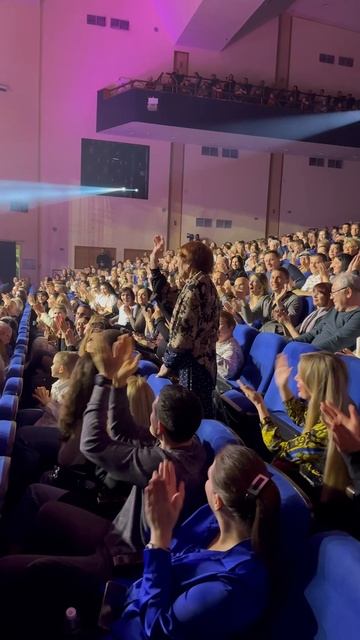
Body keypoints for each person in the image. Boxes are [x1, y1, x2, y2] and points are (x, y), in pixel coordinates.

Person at [110, 448, 280, 640]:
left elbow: (156, 630)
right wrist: (165, 517)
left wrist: (159, 536)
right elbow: (168, 555)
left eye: (208, 478)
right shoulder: (213, 519)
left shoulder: (232, 587)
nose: (205, 483)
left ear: (217, 500)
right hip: (126, 596)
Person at [239, 352, 351, 497]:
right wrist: (283, 387)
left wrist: (259, 405)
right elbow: (302, 418)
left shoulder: (328, 429)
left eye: (301, 375)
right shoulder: (331, 406)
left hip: (315, 489)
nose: (296, 377)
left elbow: (279, 449)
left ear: (315, 382)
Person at [159, 241, 220, 417]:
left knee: (193, 417)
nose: (176, 264)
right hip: (205, 364)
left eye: (179, 259)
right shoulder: (204, 282)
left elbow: (183, 335)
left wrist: (167, 363)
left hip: (194, 366)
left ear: (189, 262)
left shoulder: (195, 287)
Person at [294, 273, 360, 352]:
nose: (331, 297)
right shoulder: (336, 310)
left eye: (334, 292)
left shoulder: (357, 316)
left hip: (322, 359)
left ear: (348, 292)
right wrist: (291, 342)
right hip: (310, 354)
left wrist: (308, 351)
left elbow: (338, 341)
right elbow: (313, 333)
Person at [216, 310, 244, 379]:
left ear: (231, 327)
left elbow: (227, 373)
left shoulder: (232, 349)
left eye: (219, 324)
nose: (215, 327)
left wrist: (209, 352)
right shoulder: (216, 340)